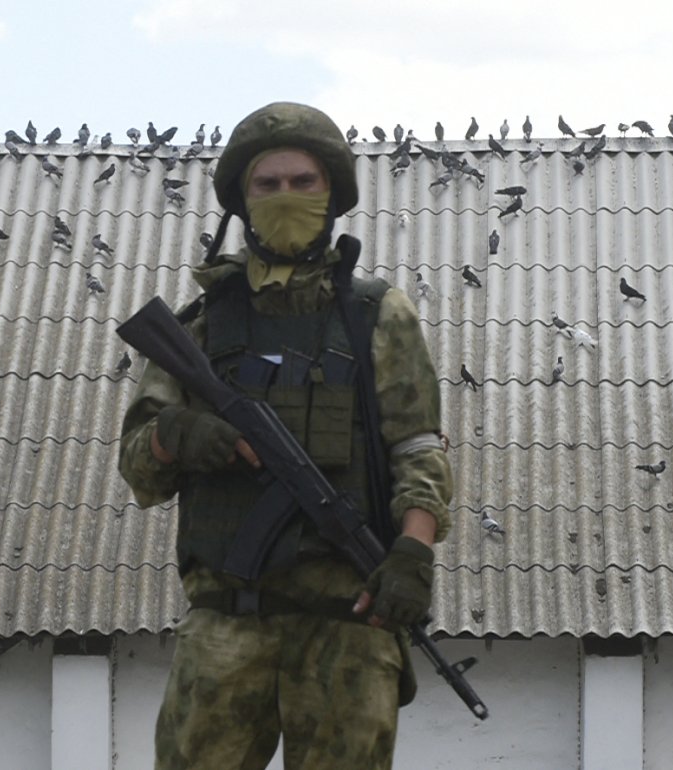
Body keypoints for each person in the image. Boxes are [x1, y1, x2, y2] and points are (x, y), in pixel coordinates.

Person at [118, 101, 454, 770]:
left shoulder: (378, 316)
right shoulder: (200, 326)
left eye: (304, 182)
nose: (285, 197)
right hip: (225, 625)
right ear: (242, 201)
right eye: (267, 185)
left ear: (332, 194)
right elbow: (139, 470)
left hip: (349, 622)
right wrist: (176, 435)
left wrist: (413, 554)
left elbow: (418, 449)